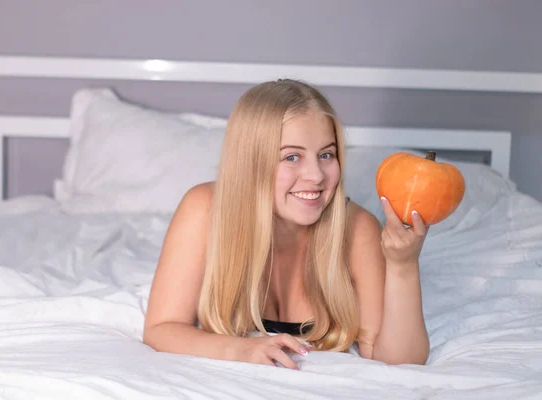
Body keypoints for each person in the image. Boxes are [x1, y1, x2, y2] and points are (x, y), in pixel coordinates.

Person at [143, 79, 430, 369]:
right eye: (291, 157)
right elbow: (162, 328)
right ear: (250, 162)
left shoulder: (357, 230)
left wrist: (403, 266)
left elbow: (400, 361)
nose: (316, 175)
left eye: (326, 155)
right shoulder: (203, 210)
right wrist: (239, 350)